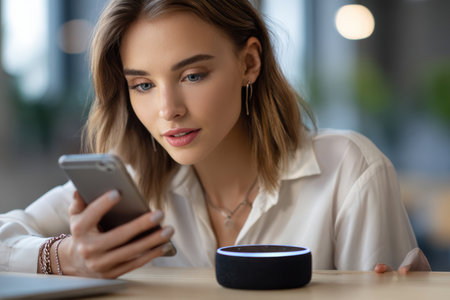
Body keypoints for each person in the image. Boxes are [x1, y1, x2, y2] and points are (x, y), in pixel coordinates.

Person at [0, 0, 429, 278]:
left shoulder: (348, 170)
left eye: (192, 75)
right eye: (143, 85)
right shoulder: (126, 184)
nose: (168, 110)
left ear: (249, 63)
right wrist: (66, 257)